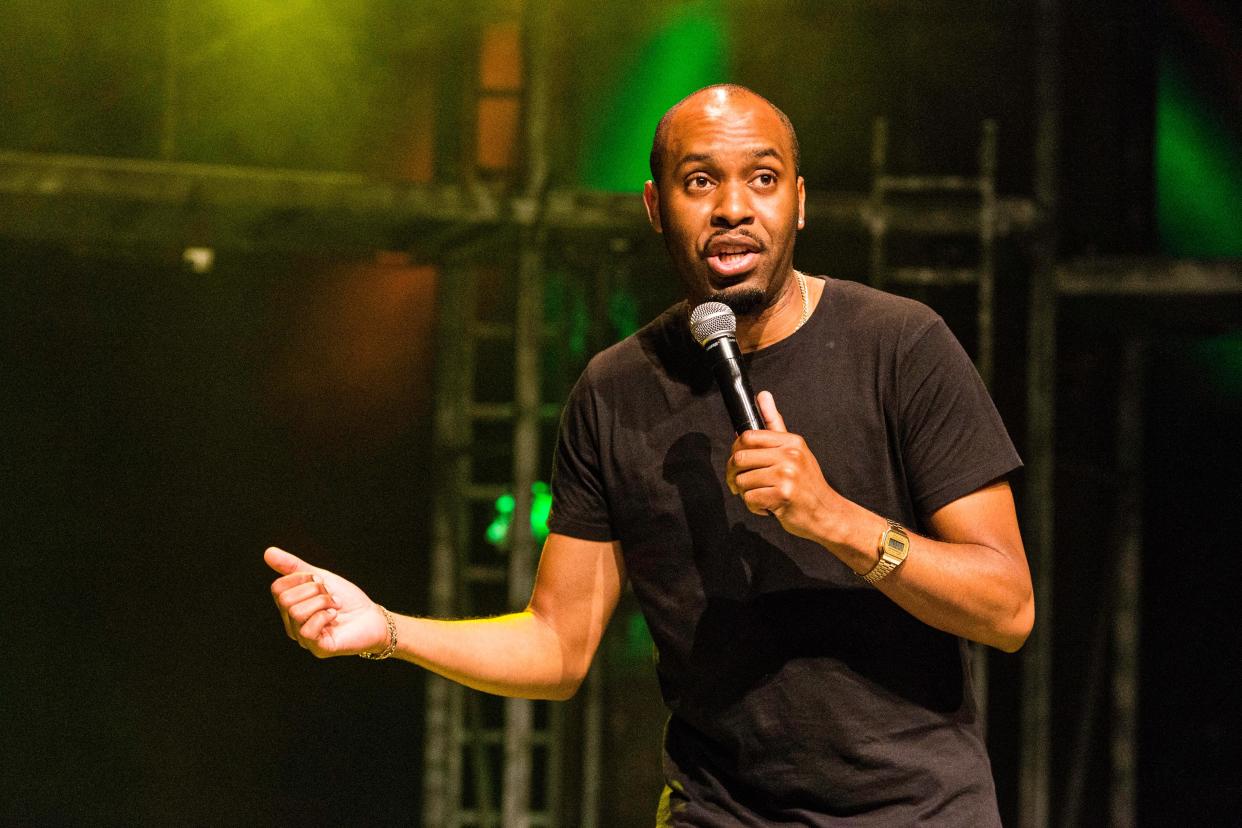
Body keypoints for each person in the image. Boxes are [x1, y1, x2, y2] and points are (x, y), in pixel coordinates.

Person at [266, 84, 1033, 825]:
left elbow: (1008, 608)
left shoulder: (900, 345)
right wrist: (389, 630)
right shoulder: (616, 389)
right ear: (654, 206)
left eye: (761, 179)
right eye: (700, 181)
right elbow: (558, 645)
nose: (733, 207)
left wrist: (837, 521)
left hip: (918, 814)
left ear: (798, 201)